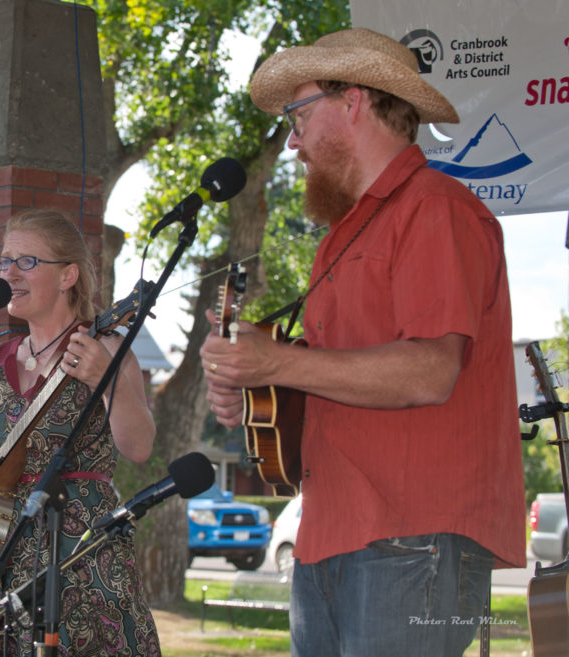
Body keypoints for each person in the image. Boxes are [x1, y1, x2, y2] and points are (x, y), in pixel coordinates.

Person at [200, 28, 525, 657]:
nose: (292, 143)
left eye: (297, 116)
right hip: (333, 531)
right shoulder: (342, 236)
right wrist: (262, 395)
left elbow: (431, 371)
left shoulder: (436, 209)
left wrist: (279, 360)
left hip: (414, 537)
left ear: (352, 101)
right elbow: (336, 377)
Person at [0, 208, 160, 656]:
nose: (9, 272)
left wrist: (106, 378)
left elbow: (140, 447)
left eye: (26, 261)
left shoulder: (107, 347)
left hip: (80, 560)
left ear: (68, 275)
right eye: (4, 260)